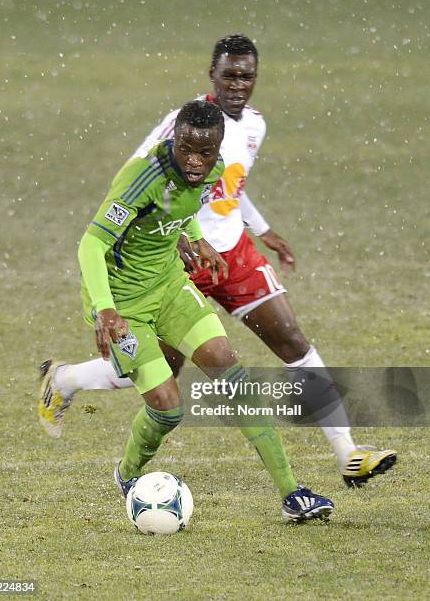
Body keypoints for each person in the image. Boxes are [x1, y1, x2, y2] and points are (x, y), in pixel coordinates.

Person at [39, 35, 396, 488]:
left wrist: (260, 228)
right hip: (172, 260)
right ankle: (66, 379)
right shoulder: (184, 124)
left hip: (228, 254)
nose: (238, 85)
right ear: (212, 75)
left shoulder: (254, 126)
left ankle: (348, 453)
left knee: (291, 342)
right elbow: (137, 179)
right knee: (159, 379)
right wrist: (171, 233)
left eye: (246, 75)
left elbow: (231, 186)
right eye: (229, 74)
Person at [41, 100, 334, 523]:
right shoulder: (140, 178)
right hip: (122, 305)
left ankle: (292, 494)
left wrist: (194, 237)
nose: (195, 162)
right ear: (173, 139)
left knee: (230, 372)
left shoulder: (212, 171)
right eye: (186, 150)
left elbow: (182, 209)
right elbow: (90, 244)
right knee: (168, 408)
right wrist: (105, 310)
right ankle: (127, 472)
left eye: (206, 153)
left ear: (218, 149)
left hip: (171, 287)